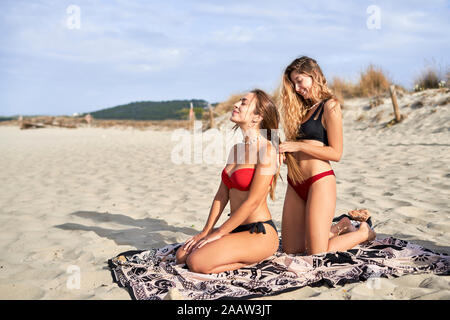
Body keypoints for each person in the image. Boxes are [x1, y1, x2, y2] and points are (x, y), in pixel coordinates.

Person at [278, 56, 376, 255]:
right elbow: (299, 148)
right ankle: (342, 225)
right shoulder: (302, 110)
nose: (296, 88)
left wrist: (297, 146)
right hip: (295, 183)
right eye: (293, 83)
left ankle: (363, 232)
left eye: (300, 81)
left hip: (319, 182)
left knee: (316, 252)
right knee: (291, 250)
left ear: (314, 75)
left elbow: (336, 152)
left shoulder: (330, 105)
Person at [175, 89, 280, 274]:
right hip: (235, 228)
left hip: (259, 232)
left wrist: (220, 233)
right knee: (182, 255)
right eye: (239, 101)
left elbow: (253, 202)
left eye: (244, 103)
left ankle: (251, 260)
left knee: (197, 262)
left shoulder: (268, 150)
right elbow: (221, 195)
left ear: (257, 117)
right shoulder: (236, 150)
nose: (236, 105)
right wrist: (206, 231)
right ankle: (234, 252)